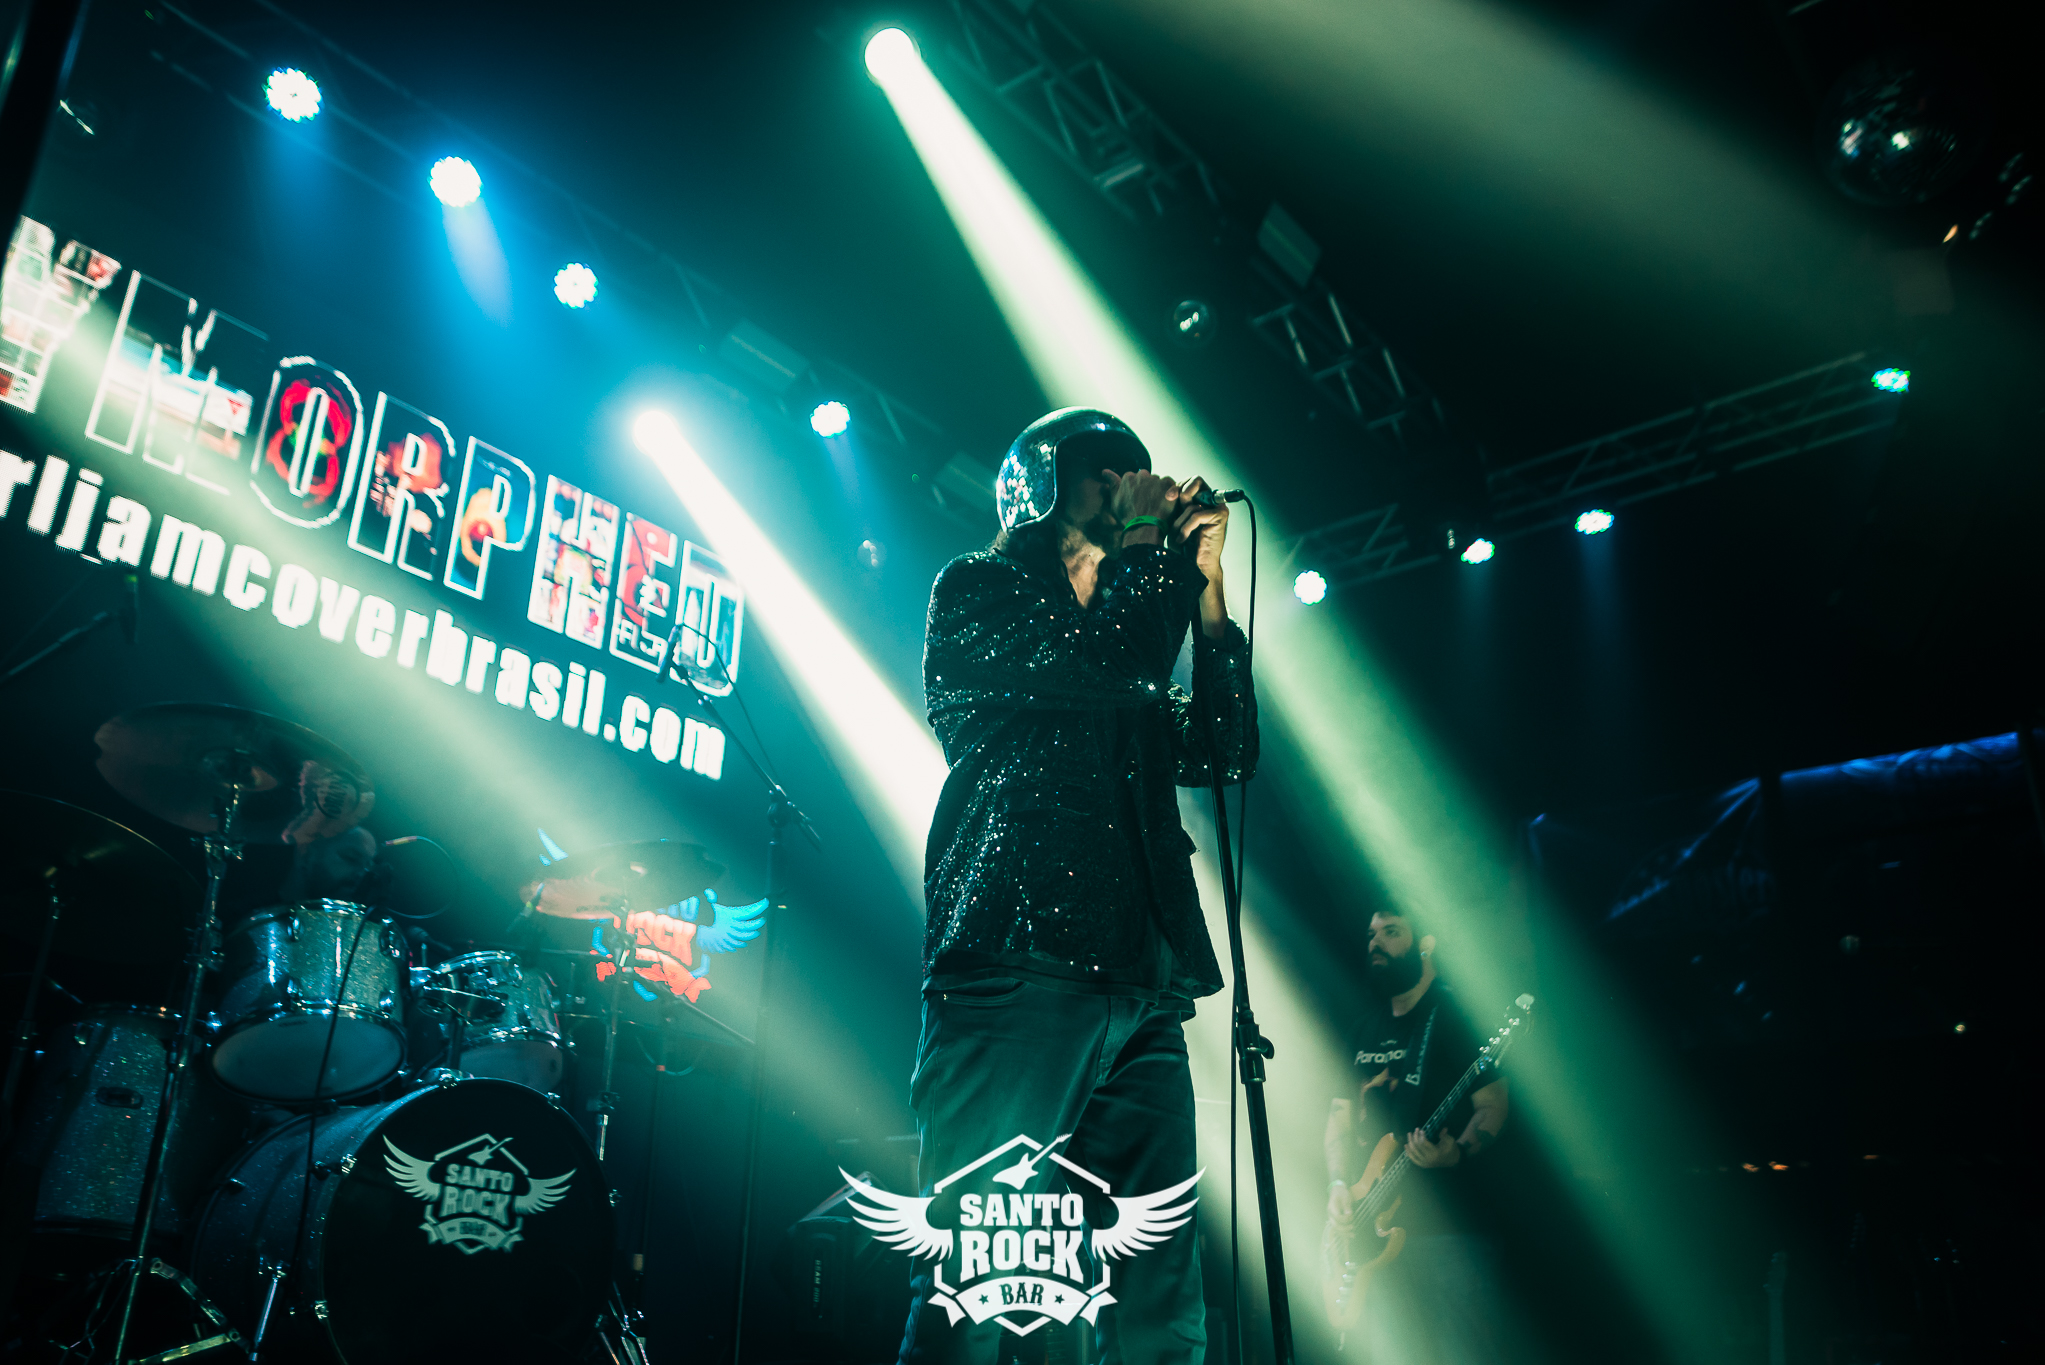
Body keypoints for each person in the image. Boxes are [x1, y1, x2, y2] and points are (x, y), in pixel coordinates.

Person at [899, 408, 1257, 1365]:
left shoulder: (1130, 629)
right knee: (978, 1282)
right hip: (1017, 963)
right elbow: (1115, 661)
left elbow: (1224, 749)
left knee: (1159, 1290)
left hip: (1141, 983)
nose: (1127, 482)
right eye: (1101, 468)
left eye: (1133, 470)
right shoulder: (980, 591)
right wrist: (1147, 548)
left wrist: (1207, 599)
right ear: (1040, 484)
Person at [1323, 910, 1510, 1365]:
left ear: (1424, 943)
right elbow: (1339, 1118)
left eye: (1391, 932)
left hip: (1448, 1231)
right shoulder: (1363, 1028)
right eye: (1371, 934)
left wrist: (1458, 1150)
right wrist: (1338, 1184)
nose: (1376, 943)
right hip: (1370, 1231)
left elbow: (1493, 1104)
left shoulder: (1455, 1020)